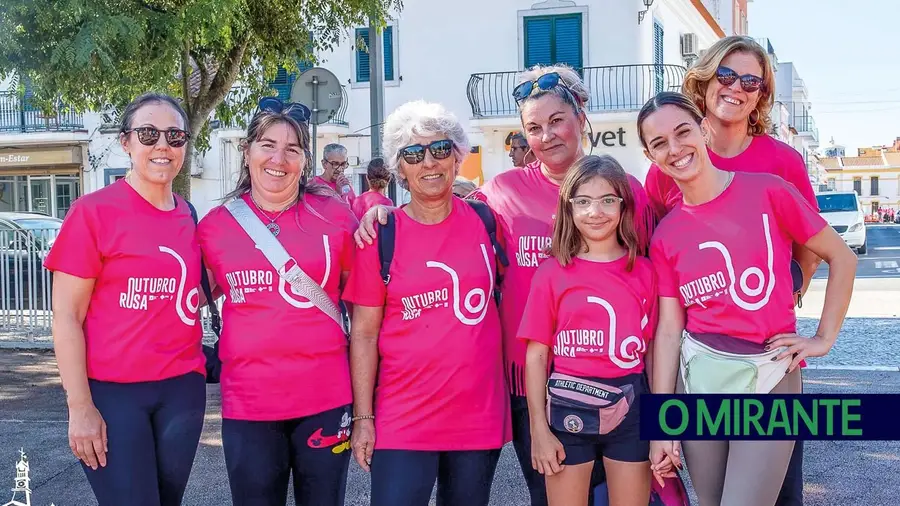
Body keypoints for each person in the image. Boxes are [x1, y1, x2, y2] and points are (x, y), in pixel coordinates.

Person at [352, 63, 656, 506]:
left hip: (617, 375)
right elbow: (436, 217)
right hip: (528, 380)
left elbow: (651, 277)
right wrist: (378, 213)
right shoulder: (497, 196)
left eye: (557, 121)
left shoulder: (628, 191)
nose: (547, 135)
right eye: (534, 128)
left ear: (581, 116)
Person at [639, 92, 857, 506]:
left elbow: (841, 257)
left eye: (683, 131)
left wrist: (823, 338)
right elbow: (669, 331)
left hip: (770, 377)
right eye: (659, 143)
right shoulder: (666, 235)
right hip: (699, 380)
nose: (675, 148)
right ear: (651, 157)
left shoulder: (768, 192)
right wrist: (660, 423)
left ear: (703, 130)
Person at [343, 100, 510, 506]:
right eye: (414, 154)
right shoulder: (380, 236)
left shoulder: (489, 221)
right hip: (403, 417)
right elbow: (363, 334)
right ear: (400, 168)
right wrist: (363, 420)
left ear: (457, 157)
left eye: (440, 149)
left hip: (477, 413)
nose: (429, 163)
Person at [45, 93, 206, 506]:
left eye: (175, 135)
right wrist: (79, 407)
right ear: (126, 142)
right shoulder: (93, 212)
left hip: (181, 391)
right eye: (148, 134)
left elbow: (193, 291)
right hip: (113, 395)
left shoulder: (189, 216)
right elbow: (66, 316)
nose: (162, 146)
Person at [197, 98, 359, 506]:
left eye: (292, 148)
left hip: (325, 399)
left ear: (305, 160)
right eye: (267, 144)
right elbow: (184, 298)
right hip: (249, 405)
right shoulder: (216, 226)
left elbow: (361, 304)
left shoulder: (335, 216)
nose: (278, 158)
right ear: (247, 151)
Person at [519, 155, 658, 506]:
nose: (595, 212)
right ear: (569, 208)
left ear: (623, 205)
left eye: (607, 200)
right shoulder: (552, 273)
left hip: (634, 406)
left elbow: (655, 352)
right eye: (583, 201)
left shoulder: (644, 271)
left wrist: (661, 428)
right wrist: (538, 429)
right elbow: (536, 354)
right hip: (568, 407)